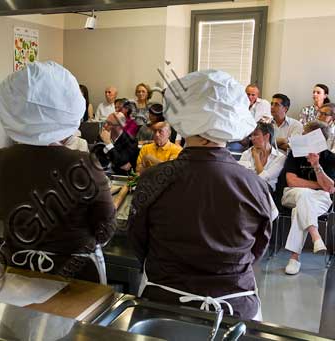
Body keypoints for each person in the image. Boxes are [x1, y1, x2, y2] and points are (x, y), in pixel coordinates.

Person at [128, 70, 276, 320]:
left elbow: (138, 240)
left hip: (163, 309)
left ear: (181, 119)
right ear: (234, 119)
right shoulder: (254, 184)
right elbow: (258, 246)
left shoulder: (153, 179)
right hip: (235, 311)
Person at [0, 61, 116, 283]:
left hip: (17, 271)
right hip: (74, 278)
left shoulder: (2, 159)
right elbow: (105, 229)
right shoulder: (84, 164)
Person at [282, 121, 335, 275]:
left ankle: (294, 258)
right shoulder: (294, 153)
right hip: (293, 193)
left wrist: (317, 166)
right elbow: (291, 181)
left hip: (320, 199)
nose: (303, 136)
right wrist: (319, 185)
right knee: (304, 195)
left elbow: (330, 188)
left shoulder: (330, 157)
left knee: (301, 208)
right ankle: (315, 235)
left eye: (306, 134)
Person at [239, 122, 286, 192]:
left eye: (256, 135)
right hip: (247, 188)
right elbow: (240, 175)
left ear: (267, 136)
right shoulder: (246, 154)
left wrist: (256, 157)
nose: (252, 138)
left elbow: (263, 178)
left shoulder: (280, 158)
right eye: (251, 135)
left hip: (267, 191)